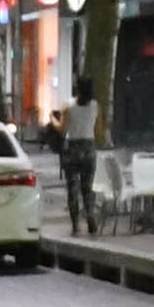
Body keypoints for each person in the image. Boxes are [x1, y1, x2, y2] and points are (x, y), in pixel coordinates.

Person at [57, 91, 101, 236]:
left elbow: (62, 129)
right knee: (88, 186)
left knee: (72, 186)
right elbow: (99, 129)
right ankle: (90, 215)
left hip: (72, 147)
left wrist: (52, 118)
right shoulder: (95, 105)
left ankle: (75, 224)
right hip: (89, 146)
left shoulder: (68, 106)